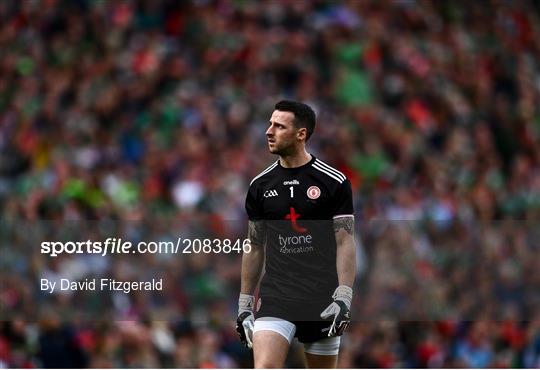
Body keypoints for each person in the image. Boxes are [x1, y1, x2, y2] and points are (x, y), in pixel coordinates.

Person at [236, 100, 356, 368]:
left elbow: (345, 241)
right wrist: (245, 303)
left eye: (279, 126)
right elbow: (254, 246)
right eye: (270, 124)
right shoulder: (260, 185)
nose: (269, 131)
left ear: (301, 134)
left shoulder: (333, 182)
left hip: (322, 300)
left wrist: (344, 295)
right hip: (277, 297)